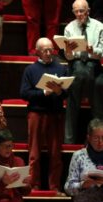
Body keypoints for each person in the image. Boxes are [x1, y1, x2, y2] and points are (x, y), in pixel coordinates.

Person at [20, 37, 68, 193]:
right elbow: (24, 93)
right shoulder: (30, 70)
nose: (49, 53)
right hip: (36, 114)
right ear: (38, 52)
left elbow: (67, 92)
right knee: (34, 153)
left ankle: (55, 186)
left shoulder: (61, 68)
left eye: (51, 50)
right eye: (45, 50)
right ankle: (34, 185)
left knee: (56, 153)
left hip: (56, 114)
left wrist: (60, 92)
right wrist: (43, 93)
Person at [62, 0, 103, 144]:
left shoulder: (99, 27)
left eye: (82, 11)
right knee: (78, 74)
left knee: (97, 106)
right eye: (76, 12)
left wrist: (91, 51)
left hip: (94, 64)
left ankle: (98, 140)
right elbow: (69, 56)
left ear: (88, 11)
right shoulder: (69, 28)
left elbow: (102, 52)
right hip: (76, 64)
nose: (79, 14)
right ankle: (69, 141)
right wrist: (68, 51)